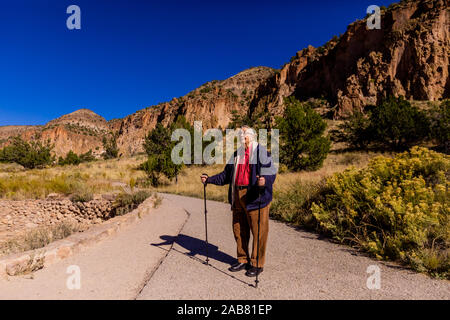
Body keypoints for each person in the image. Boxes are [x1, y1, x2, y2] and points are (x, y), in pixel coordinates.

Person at [200, 126, 276, 277]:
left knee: (259, 231)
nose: (243, 136)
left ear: (253, 136)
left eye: (245, 133)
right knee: (239, 229)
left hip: (255, 195)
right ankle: (242, 259)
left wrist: (264, 180)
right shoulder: (236, 154)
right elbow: (226, 176)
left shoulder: (260, 152)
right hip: (237, 194)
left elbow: (271, 171)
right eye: (241, 134)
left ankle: (256, 263)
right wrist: (209, 180)